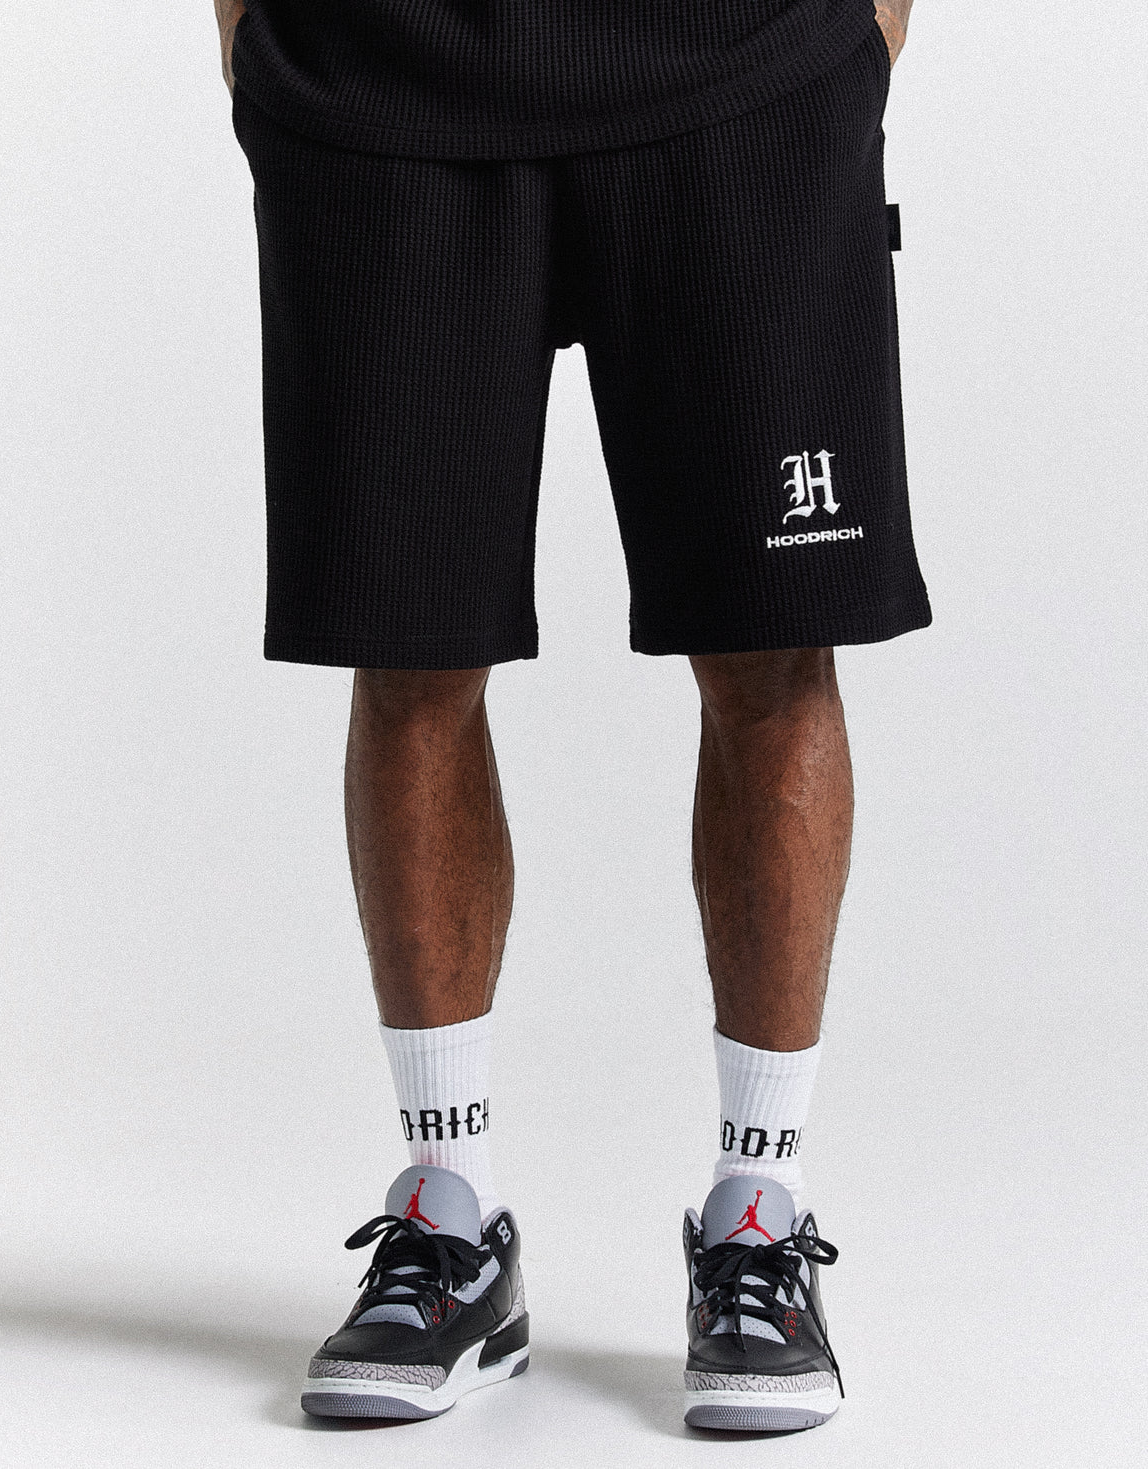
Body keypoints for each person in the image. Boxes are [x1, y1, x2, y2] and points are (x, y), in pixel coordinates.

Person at [215, 0, 927, 1433]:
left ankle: (760, 1207)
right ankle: (450, 1215)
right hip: (385, 71)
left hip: (745, 67)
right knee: (411, 652)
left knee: (769, 645)